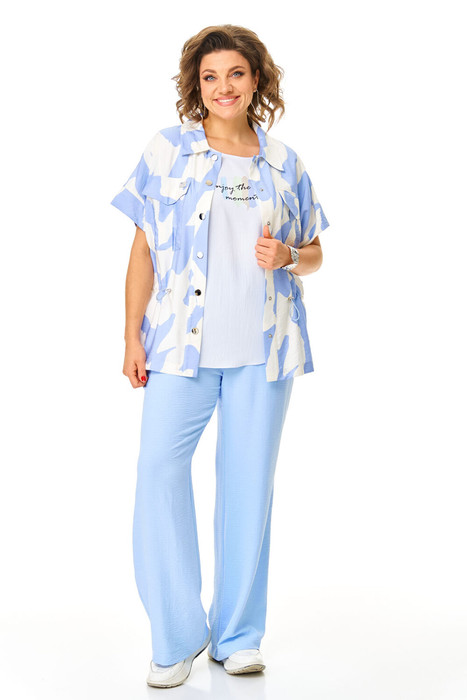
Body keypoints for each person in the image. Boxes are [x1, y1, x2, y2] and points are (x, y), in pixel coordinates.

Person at [110, 24, 330, 689]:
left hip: (264, 352)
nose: (223, 87)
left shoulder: (284, 163)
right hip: (179, 349)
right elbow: (143, 250)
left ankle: (237, 637)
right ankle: (176, 637)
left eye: (235, 74)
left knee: (247, 490)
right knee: (158, 473)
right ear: (196, 85)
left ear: (256, 80)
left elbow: (315, 252)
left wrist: (287, 255)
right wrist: (131, 336)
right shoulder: (166, 151)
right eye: (210, 77)